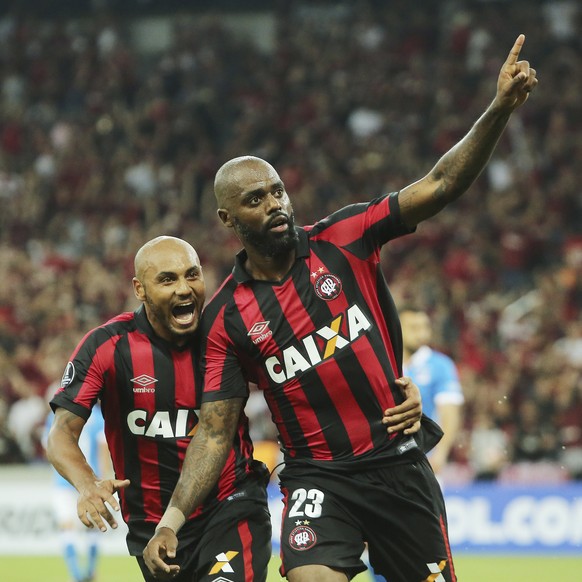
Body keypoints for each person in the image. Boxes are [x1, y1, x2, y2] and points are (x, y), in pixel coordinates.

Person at [144, 35, 537, 582]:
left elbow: (441, 183)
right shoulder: (227, 318)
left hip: (397, 463)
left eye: (277, 191)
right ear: (227, 220)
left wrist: (498, 109)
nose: (275, 204)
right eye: (255, 199)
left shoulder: (345, 238)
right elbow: (214, 431)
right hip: (316, 478)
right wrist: (172, 518)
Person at [46, 236, 272, 582]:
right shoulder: (107, 347)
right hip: (150, 531)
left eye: (192, 275)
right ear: (140, 288)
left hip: (229, 507)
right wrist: (88, 484)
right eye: (168, 279)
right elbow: (61, 433)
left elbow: (297, 378)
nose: (185, 289)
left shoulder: (226, 334)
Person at [43, 397, 109, 582]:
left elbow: (49, 448)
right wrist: (102, 479)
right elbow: (103, 449)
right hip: (90, 482)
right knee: (93, 528)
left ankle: (76, 576)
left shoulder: (55, 417)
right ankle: (89, 572)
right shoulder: (96, 417)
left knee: (67, 527)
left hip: (64, 481)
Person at [400, 305, 464, 477]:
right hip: (388, 462)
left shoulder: (440, 365)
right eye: (414, 328)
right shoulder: (385, 363)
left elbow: (449, 413)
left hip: (424, 460)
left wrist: (441, 452)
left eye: (425, 327)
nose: (421, 333)